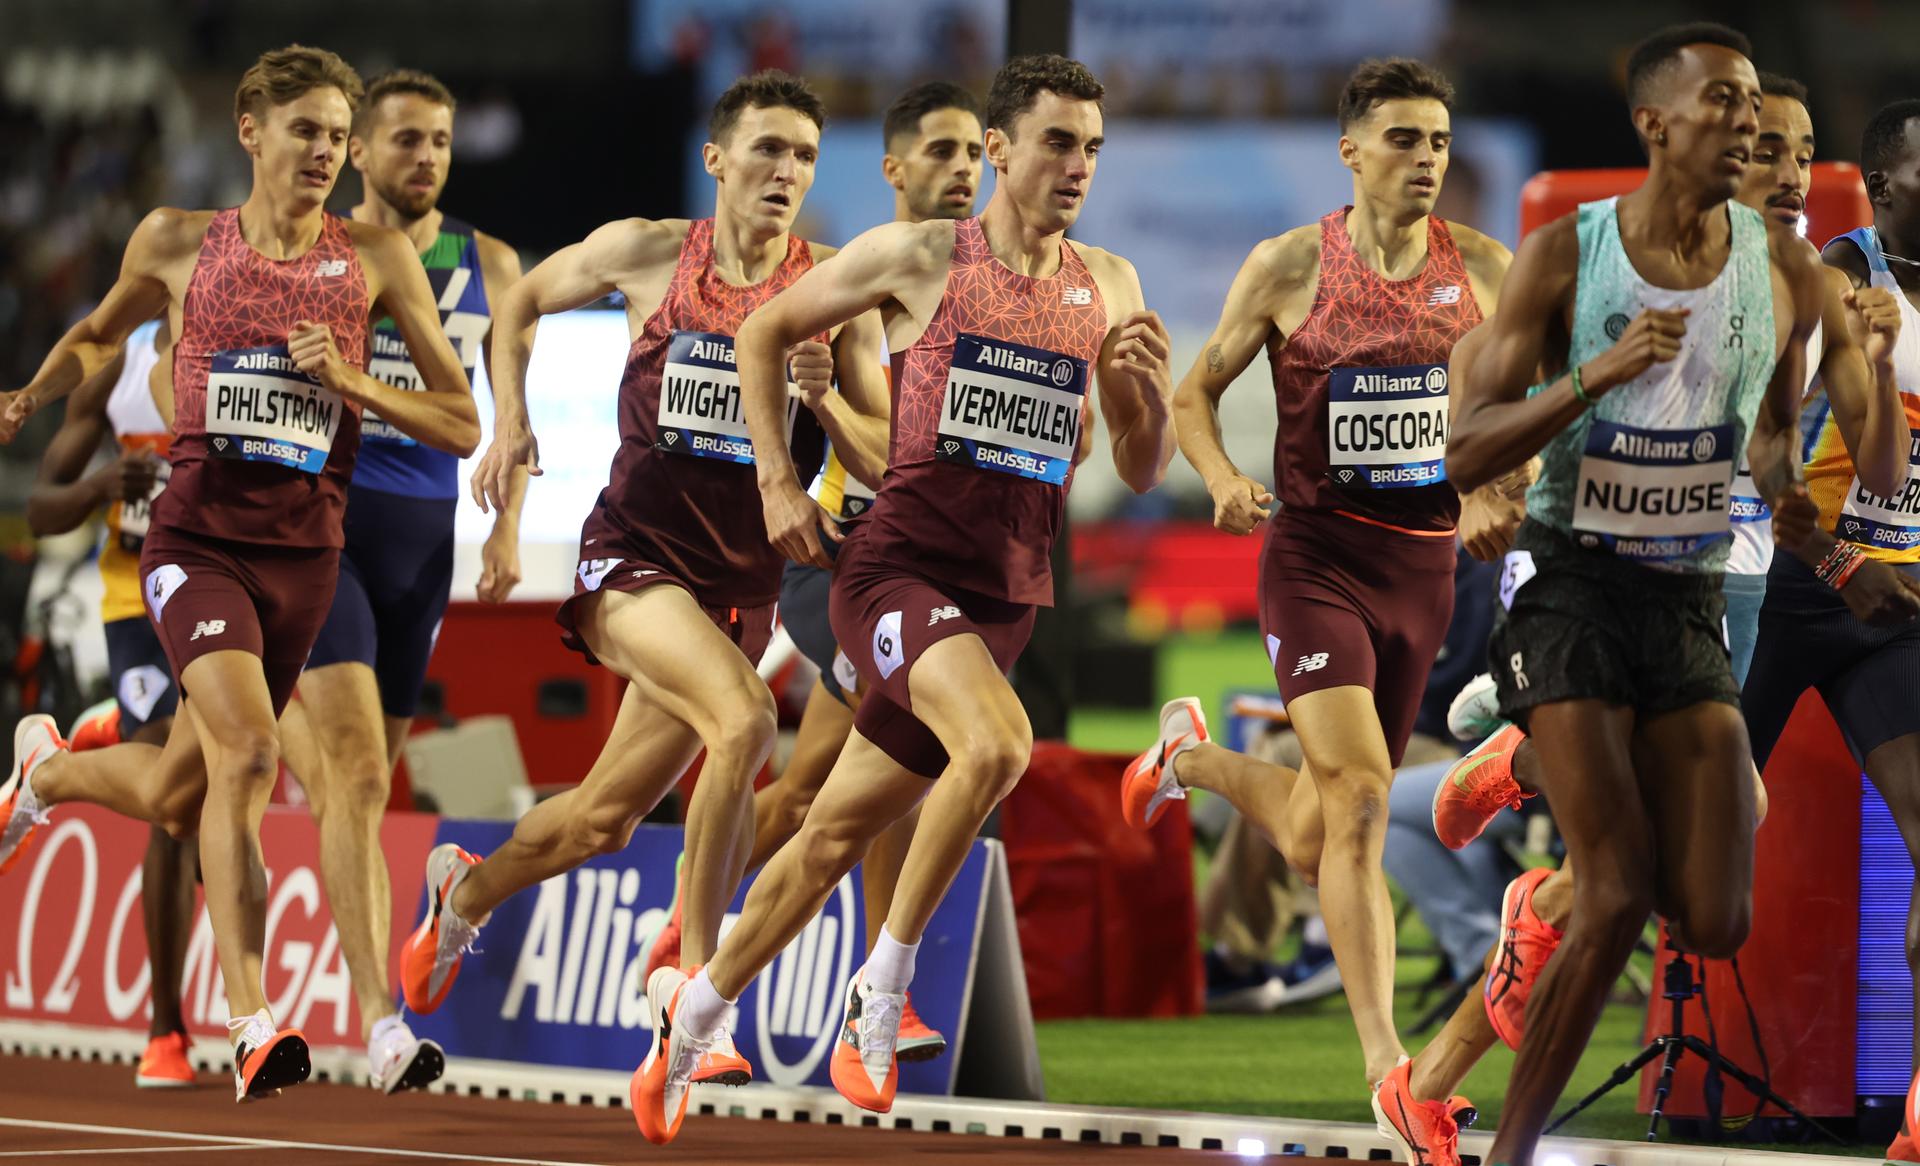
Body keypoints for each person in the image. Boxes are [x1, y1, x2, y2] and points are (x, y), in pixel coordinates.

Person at [630, 53, 1175, 1145]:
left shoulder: (1110, 283)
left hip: (1008, 591)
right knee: (998, 745)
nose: (1078, 166)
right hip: (896, 568)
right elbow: (759, 329)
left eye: (1094, 148)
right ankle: (879, 994)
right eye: (1059, 143)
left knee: (830, 829)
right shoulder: (923, 256)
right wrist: (780, 479)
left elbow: (1143, 462)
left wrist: (1148, 395)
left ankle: (687, 1022)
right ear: (1000, 151)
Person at [1445, 24, 1918, 1166]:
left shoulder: (1795, 275)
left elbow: (1843, 470)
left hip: (1694, 598)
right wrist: (1592, 377)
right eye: (1729, 105)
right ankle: (1507, 1149)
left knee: (1712, 911)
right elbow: (1465, 445)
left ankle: (1523, 782)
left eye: (1764, 110)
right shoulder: (1570, 254)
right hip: (1576, 588)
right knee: (1612, 891)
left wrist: (1868, 389)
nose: (1754, 129)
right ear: (1655, 124)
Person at [0, 44, 481, 1102]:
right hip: (195, 545)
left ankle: (47, 772)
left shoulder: (379, 259)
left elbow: (460, 419)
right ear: (248, 129)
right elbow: (94, 332)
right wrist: (27, 396)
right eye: (302, 130)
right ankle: (253, 1020)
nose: (322, 151)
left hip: (306, 557)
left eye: (333, 135)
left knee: (182, 785)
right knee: (254, 757)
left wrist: (351, 376)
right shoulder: (179, 241)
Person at [398, 70, 889, 1089]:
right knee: (749, 723)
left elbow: (888, 453)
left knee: (602, 818)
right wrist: (515, 420)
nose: (785, 171)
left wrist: (827, 409)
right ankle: (693, 985)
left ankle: (466, 893)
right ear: (717, 159)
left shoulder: (836, 288)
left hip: (739, 588)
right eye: (766, 149)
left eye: (802, 154)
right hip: (633, 556)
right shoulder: (651, 252)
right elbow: (520, 299)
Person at [1113, 57, 1511, 1162]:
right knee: (1363, 795)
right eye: (1401, 139)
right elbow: (1193, 391)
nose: (1425, 159)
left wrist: (1494, 488)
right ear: (1351, 149)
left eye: (1437, 140)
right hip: (1317, 561)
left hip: (1424, 569)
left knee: (1315, 831)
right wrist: (1225, 475)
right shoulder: (1292, 264)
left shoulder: (1482, 268)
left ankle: (1186, 758)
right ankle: (1390, 1064)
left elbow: (1528, 405)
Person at [269, 67, 523, 1094]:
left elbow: (507, 414)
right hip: (316, 523)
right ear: (359, 154)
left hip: (424, 544)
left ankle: (61, 764)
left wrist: (507, 525)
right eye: (406, 140)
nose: (426, 159)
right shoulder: (312, 253)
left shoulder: (491, 263)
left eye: (442, 142)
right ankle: (379, 1019)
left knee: (335, 779)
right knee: (357, 778)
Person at [727, 79, 991, 1063]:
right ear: (894, 169)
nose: (963, 170)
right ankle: (885, 991)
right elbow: (885, 457)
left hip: (927, 574)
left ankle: (687, 933)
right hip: (845, 566)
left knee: (810, 797)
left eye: (974, 153)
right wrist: (822, 423)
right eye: (941, 153)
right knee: (900, 759)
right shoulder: (871, 286)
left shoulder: (993, 287)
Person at [1743, 95, 1920, 1155]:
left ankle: (1917, 1108)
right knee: (1678, 866)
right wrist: (1845, 558)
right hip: (1787, 585)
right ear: (1887, 183)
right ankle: (1526, 763)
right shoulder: (1837, 280)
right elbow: (1765, 461)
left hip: (1893, 607)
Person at [26, 318, 195, 1089]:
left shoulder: (249, 345)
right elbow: (39, 509)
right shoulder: (118, 368)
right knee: (170, 794)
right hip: (139, 603)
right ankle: (167, 1030)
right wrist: (100, 486)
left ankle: (106, 731)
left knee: (207, 788)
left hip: (228, 592)